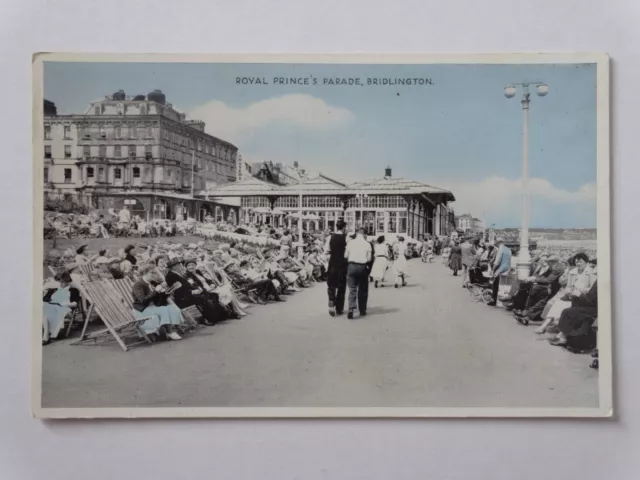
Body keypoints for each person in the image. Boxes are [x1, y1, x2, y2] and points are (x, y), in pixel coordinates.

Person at [132, 264, 184, 341]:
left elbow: (159, 299)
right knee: (163, 309)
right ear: (145, 273)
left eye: (155, 272)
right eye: (153, 273)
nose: (155, 275)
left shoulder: (152, 282)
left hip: (154, 306)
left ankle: (172, 328)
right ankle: (170, 332)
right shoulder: (138, 284)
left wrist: (166, 293)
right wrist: (156, 291)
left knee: (171, 308)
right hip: (143, 309)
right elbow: (143, 300)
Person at [549, 281, 598, 350]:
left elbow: (593, 301)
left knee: (567, 312)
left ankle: (563, 336)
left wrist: (580, 295)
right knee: (572, 305)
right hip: (591, 306)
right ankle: (563, 334)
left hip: (595, 309)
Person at [42, 272, 78, 345]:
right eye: (59, 282)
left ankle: (46, 336)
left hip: (66, 310)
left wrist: (62, 304)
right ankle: (46, 336)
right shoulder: (54, 290)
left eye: (63, 282)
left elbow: (75, 304)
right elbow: (44, 299)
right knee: (46, 310)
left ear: (68, 282)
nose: (60, 284)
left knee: (48, 311)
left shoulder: (73, 290)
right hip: (53, 308)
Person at [344, 227, 372, 319]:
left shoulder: (350, 243)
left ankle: (351, 309)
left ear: (356, 233)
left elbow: (345, 255)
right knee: (362, 289)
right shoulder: (367, 244)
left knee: (352, 289)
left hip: (351, 266)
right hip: (362, 267)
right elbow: (369, 259)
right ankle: (362, 310)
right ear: (364, 234)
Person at [324, 220, 348, 317]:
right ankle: (339, 308)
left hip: (332, 264)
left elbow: (327, 250)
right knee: (341, 286)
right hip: (342, 265)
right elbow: (347, 253)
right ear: (343, 228)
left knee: (331, 285)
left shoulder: (330, 237)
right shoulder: (346, 239)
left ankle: (331, 301)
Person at [488, 237, 512, 306]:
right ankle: (502, 301)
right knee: (503, 286)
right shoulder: (508, 249)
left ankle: (494, 300)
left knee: (495, 285)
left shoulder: (500, 249)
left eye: (496, 243)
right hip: (507, 269)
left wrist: (493, 269)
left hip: (500, 269)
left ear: (498, 243)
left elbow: (497, 261)